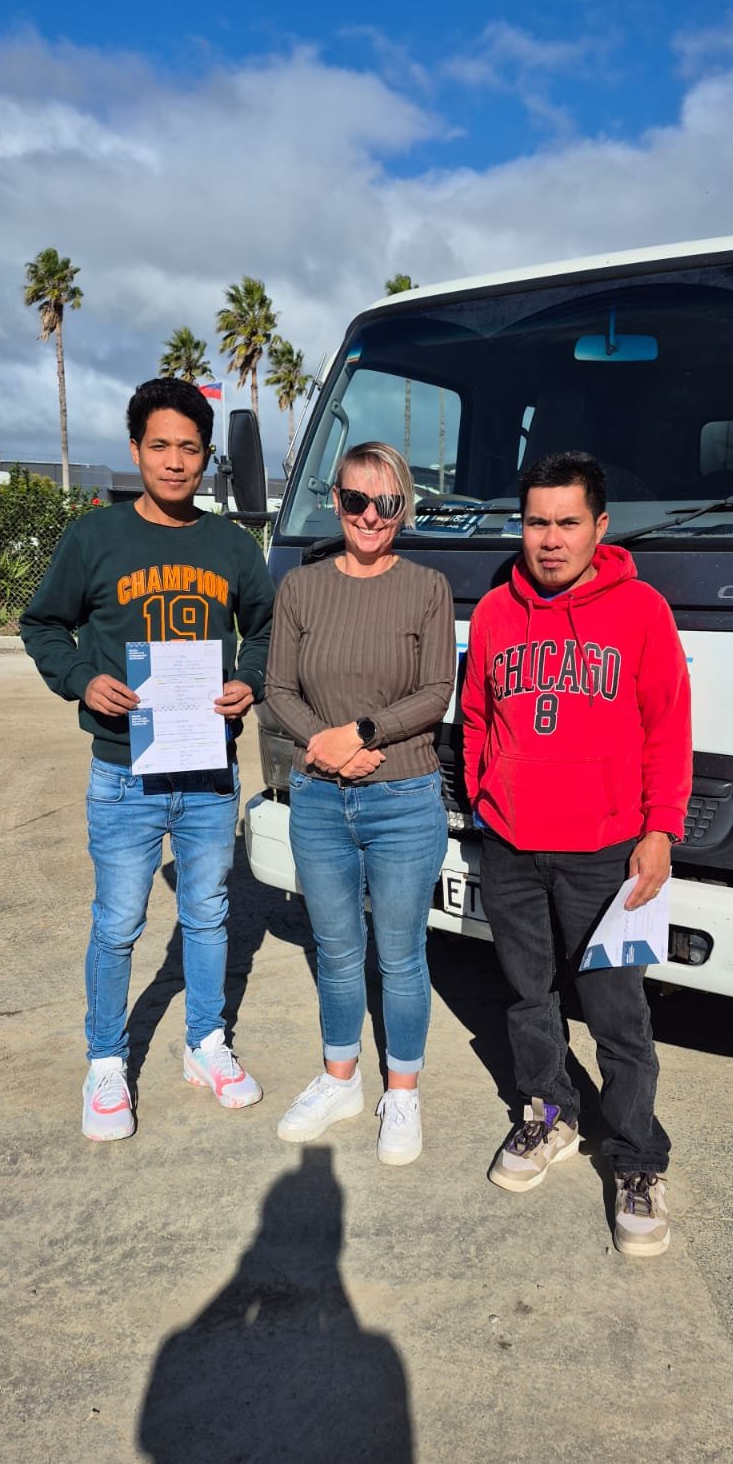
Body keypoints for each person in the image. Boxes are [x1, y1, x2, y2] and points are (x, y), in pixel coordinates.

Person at [21, 377, 275, 1142]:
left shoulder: (231, 545)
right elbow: (43, 625)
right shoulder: (94, 538)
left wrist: (248, 682)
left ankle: (205, 1045)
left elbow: (265, 628)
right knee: (119, 922)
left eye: (189, 449)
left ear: (207, 460)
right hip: (123, 771)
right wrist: (81, 680)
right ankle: (106, 1061)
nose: (174, 462)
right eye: (159, 445)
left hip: (205, 773)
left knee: (206, 917)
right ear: (136, 451)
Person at [460, 450, 691, 1256]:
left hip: (606, 854)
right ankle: (549, 1116)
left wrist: (659, 830)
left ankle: (635, 1161)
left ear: (600, 526)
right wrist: (488, 798)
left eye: (566, 523)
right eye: (535, 523)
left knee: (618, 1016)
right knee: (527, 999)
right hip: (514, 845)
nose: (549, 540)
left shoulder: (642, 611)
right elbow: (478, 717)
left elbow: (667, 728)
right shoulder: (493, 613)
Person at [264, 441, 455, 1166]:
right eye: (355, 500)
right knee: (338, 952)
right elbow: (279, 689)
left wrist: (364, 733)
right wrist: (327, 747)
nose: (370, 516)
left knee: (401, 955)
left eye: (387, 502)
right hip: (319, 798)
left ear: (404, 508)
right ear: (335, 501)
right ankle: (340, 1077)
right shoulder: (303, 589)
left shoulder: (427, 587)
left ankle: (400, 1091)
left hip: (404, 797)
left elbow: (437, 690)